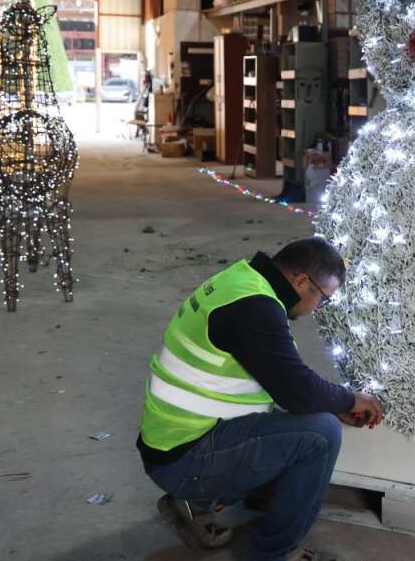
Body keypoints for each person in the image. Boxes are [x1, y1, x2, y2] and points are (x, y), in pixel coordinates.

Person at [137, 237, 385, 561]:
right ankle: (273, 553)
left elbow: (283, 376)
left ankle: (193, 505)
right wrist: (347, 401)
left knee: (300, 428)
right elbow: (296, 389)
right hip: (185, 458)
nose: (315, 311)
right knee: (320, 435)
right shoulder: (256, 308)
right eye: (322, 299)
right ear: (300, 281)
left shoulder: (242, 281)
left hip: (170, 444)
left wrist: (326, 400)